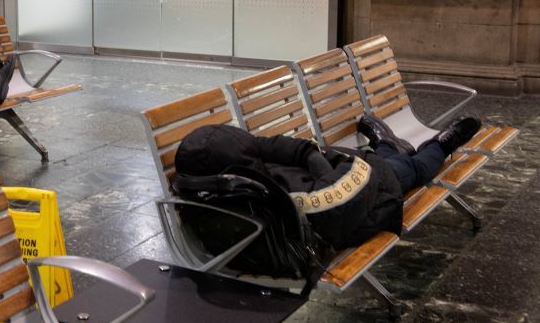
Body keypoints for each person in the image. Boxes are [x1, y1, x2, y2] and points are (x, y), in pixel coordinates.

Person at [173, 114, 482, 251]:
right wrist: (328, 162)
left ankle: (387, 145)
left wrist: (314, 156)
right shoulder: (267, 202)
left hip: (336, 184)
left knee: (395, 164)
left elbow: (277, 146)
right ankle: (441, 145)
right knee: (409, 170)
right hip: (347, 212)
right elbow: (335, 197)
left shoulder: (215, 178)